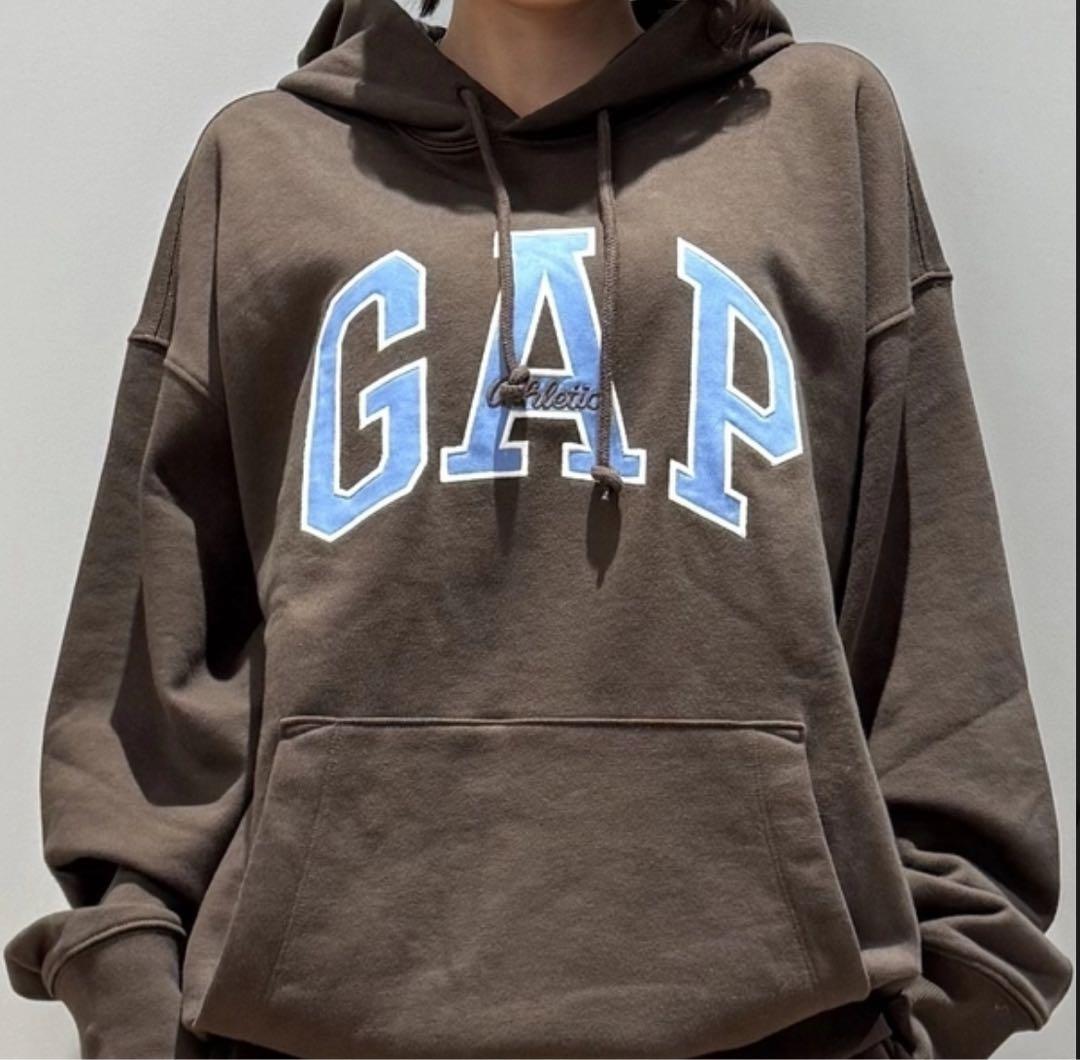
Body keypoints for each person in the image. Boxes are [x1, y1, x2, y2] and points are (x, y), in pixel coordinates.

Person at [3, 0, 1072, 1057]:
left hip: (781, 1031)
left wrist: (944, 997)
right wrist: (133, 998)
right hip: (310, 1033)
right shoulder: (262, 163)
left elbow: (935, 623)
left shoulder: (823, 127)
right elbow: (151, 657)